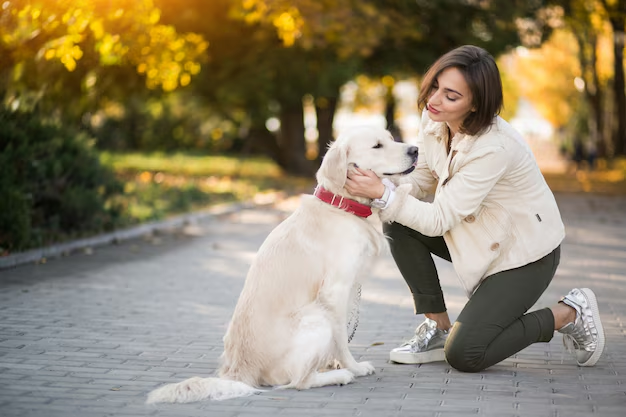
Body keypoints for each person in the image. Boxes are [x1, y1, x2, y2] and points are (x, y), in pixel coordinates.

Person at [345, 45, 605, 372]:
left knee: (466, 354)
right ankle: (437, 328)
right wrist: (379, 186)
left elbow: (438, 219)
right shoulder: (434, 118)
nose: (435, 100)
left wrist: (383, 193)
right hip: (475, 236)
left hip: (522, 254)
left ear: (476, 104)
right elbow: (425, 177)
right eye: (435, 86)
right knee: (396, 220)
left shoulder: (493, 147)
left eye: (451, 95)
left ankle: (569, 313)